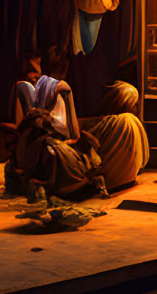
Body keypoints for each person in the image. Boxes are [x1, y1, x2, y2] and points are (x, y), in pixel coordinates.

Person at [11, 50, 104, 199]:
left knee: (84, 147)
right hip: (33, 140)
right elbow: (27, 122)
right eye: (30, 72)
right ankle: (53, 185)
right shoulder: (23, 89)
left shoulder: (54, 90)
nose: (34, 76)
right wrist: (42, 119)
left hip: (55, 135)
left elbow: (66, 127)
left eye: (37, 73)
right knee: (54, 151)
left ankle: (82, 182)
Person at [83, 81, 150, 192]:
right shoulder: (123, 121)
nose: (136, 108)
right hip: (114, 182)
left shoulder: (127, 120)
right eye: (134, 104)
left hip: (117, 182)